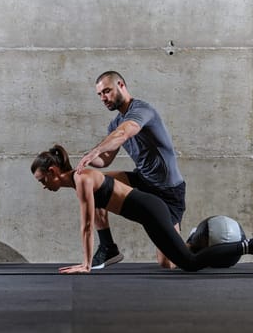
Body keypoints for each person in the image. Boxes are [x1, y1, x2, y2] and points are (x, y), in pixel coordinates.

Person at [31, 145, 253, 274]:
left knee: (189, 262)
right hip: (148, 213)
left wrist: (85, 264)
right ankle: (251, 246)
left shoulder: (82, 178)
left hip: (151, 210)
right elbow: (98, 214)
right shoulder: (81, 179)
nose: (43, 186)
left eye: (42, 180)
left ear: (53, 172)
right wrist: (108, 246)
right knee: (186, 261)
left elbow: (85, 226)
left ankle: (252, 245)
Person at [76, 71, 186, 269]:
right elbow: (105, 161)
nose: (103, 98)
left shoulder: (141, 110)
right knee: (93, 182)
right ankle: (108, 247)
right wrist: (85, 161)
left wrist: (96, 150)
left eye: (107, 91)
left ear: (121, 85)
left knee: (168, 262)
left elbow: (125, 133)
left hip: (168, 190)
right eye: (99, 94)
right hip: (143, 180)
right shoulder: (115, 123)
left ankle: (197, 241)